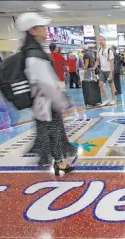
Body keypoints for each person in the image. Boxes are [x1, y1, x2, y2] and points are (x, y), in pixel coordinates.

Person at [16, 12, 76, 175]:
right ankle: (59, 163)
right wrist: (62, 101)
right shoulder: (34, 55)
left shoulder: (32, 51)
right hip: (46, 101)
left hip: (43, 101)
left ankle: (59, 163)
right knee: (54, 133)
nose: (45, 29)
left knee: (52, 132)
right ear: (32, 30)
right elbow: (45, 83)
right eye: (42, 27)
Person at [93, 36, 117, 106]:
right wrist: (94, 67)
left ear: (105, 40)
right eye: (99, 40)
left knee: (111, 85)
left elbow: (111, 62)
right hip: (102, 70)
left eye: (102, 40)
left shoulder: (109, 50)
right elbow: (98, 60)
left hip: (109, 70)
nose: (101, 41)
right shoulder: (99, 50)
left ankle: (113, 100)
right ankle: (106, 99)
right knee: (100, 85)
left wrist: (111, 73)